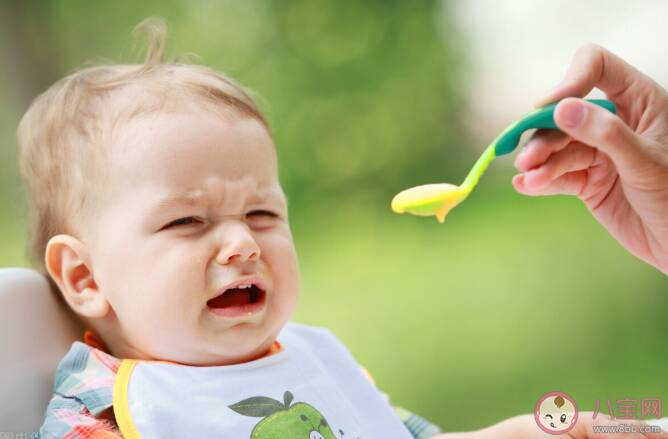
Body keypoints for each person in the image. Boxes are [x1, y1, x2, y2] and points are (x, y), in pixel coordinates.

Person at [19, 16, 666, 438]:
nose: (243, 242)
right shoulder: (107, 410)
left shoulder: (315, 360)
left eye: (263, 213)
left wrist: (520, 431)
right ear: (84, 275)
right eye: (188, 220)